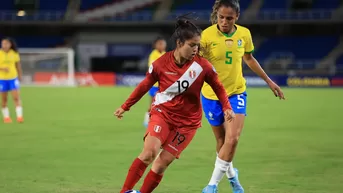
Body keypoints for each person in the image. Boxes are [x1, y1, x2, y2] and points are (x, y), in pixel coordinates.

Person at [114, 16, 235, 193]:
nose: (196, 49)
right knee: (149, 153)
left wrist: (226, 107)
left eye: (197, 45)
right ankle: (125, 191)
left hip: (188, 123)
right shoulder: (160, 64)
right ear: (179, 43)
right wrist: (125, 106)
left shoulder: (203, 66)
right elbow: (144, 86)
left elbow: (218, 86)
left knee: (162, 163)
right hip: (163, 113)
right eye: (192, 45)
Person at [200, 1, 285, 193]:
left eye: (229, 18)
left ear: (236, 17)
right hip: (210, 95)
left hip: (236, 92)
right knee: (222, 142)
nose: (224, 21)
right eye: (221, 17)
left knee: (233, 138)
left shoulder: (244, 34)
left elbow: (249, 58)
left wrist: (269, 81)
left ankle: (212, 185)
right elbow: (198, 63)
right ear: (217, 16)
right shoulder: (206, 35)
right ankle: (232, 176)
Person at [144, 37, 167, 127]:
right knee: (152, 103)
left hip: (164, 84)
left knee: (163, 104)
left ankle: (160, 120)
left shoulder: (165, 54)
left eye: (163, 44)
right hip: (155, 84)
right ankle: (147, 121)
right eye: (160, 44)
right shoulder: (154, 54)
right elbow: (154, 68)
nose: (162, 45)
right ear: (156, 45)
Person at [0, 37, 23, 123]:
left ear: (10, 45)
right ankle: (6, 117)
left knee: (16, 98)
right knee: (4, 99)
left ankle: (19, 117)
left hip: (13, 78)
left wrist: (20, 75)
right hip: (2, 79)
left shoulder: (14, 53)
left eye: (6, 43)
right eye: (3, 43)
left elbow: (18, 65)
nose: (4, 45)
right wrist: (2, 69)